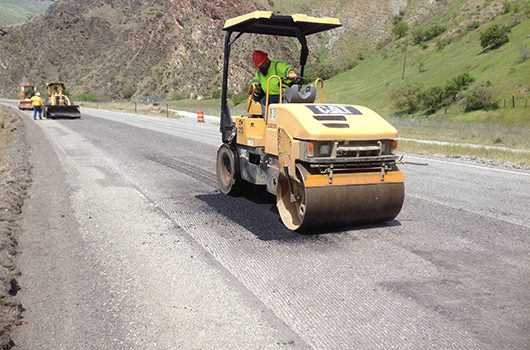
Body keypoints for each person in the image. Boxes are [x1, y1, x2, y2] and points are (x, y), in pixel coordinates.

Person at [251, 50, 298, 116]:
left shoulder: (277, 66)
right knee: (263, 101)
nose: (260, 68)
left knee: (283, 105)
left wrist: (291, 74)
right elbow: (256, 84)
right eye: (259, 66)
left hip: (282, 95)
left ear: (266, 60)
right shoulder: (259, 73)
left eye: (261, 65)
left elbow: (289, 71)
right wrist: (256, 88)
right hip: (269, 97)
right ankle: (267, 121)